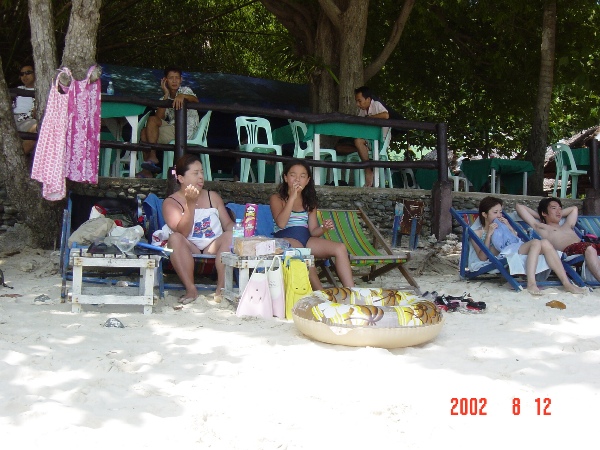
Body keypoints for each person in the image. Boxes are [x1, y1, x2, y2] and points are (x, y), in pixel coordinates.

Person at [270, 160, 355, 290]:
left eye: (302, 176)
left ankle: (352, 292)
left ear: (307, 180)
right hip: (285, 238)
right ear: (286, 178)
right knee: (305, 254)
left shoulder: (309, 201)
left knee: (340, 248)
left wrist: (324, 228)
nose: (297, 179)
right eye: (293, 175)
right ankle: (320, 294)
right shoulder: (277, 198)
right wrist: (292, 197)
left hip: (306, 238)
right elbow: (281, 223)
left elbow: (313, 231)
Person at [475, 197, 585, 295]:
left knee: (545, 242)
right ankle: (531, 283)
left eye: (500, 212)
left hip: (517, 247)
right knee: (536, 242)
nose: (499, 215)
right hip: (506, 253)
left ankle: (567, 283)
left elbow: (514, 240)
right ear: (484, 214)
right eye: (495, 212)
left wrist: (509, 227)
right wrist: (489, 235)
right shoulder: (477, 233)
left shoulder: (503, 226)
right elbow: (482, 257)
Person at [162, 154, 233, 304]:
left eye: (202, 172)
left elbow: (227, 224)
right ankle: (191, 289)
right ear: (181, 178)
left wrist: (242, 227)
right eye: (195, 173)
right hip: (189, 247)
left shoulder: (212, 197)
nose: (201, 177)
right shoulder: (171, 202)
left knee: (230, 235)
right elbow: (183, 232)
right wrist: (190, 204)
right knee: (175, 238)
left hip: (213, 247)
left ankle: (221, 289)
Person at [516, 198, 600, 282]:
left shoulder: (567, 225)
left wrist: (556, 213)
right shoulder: (541, 227)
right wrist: (541, 216)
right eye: (554, 208)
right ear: (544, 212)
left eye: (560, 208)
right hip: (570, 250)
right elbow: (519, 207)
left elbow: (574, 209)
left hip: (586, 245)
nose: (558, 211)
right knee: (589, 248)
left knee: (591, 247)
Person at [138, 67, 199, 178]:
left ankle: (148, 168)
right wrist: (166, 95)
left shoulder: (185, 91)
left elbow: (195, 99)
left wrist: (182, 96)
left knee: (144, 133)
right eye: (171, 78)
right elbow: (158, 118)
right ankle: (152, 159)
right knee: (150, 123)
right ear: (165, 80)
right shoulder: (164, 97)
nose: (174, 81)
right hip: (172, 127)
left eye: (177, 78)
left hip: (184, 130)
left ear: (181, 79)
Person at [335, 86, 389, 188]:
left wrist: (369, 118)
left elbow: (386, 115)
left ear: (368, 99)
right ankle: (362, 150)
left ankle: (368, 170)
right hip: (366, 140)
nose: (357, 104)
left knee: (358, 141)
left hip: (377, 141)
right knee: (339, 147)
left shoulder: (376, 105)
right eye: (357, 101)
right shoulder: (362, 111)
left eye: (359, 101)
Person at [12, 64, 37, 155]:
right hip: (13, 118)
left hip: (29, 120)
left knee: (39, 128)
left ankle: (17, 157)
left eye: (28, 73)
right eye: (22, 74)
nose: (24, 76)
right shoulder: (17, 90)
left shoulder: (42, 90)